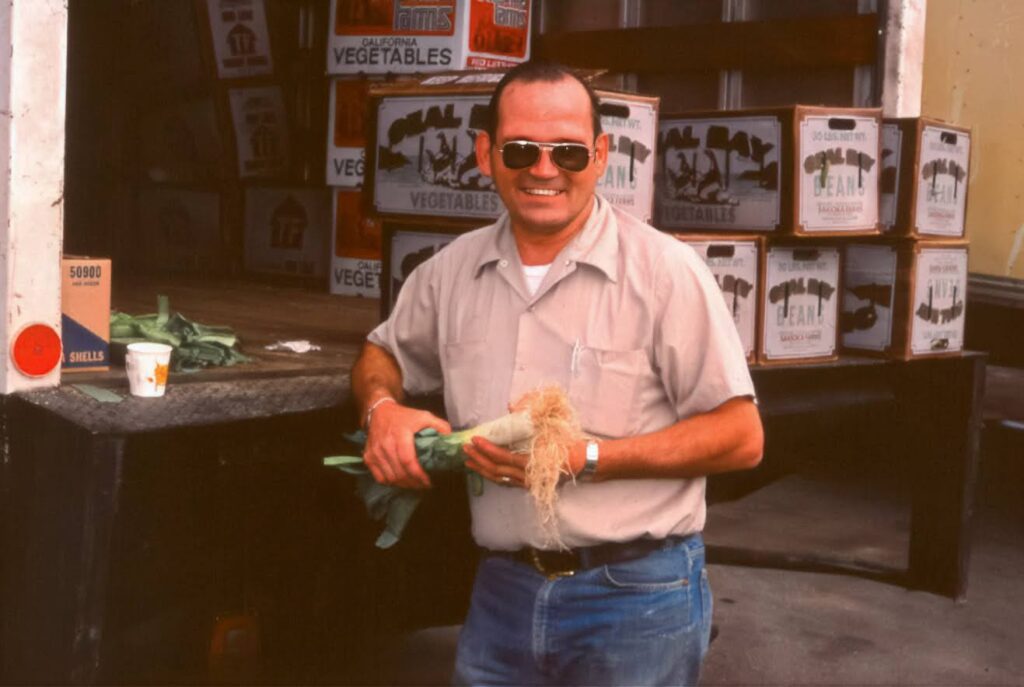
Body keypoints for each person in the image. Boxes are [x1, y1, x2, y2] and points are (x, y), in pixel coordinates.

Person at [351, 60, 764, 687]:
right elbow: (381, 352)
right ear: (485, 153)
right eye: (521, 150)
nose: (544, 170)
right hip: (502, 592)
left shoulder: (664, 273)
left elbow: (742, 436)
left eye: (568, 152)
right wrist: (382, 410)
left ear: (600, 156)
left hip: (634, 593)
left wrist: (591, 456)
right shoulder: (451, 272)